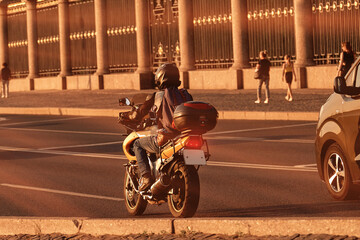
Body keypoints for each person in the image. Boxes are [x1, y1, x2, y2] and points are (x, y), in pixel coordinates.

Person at [130, 63, 192, 192]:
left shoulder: (158, 95)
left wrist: (131, 116)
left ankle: (146, 177)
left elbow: (140, 112)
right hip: (184, 135)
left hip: (166, 137)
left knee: (137, 144)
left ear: (160, 77)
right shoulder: (186, 94)